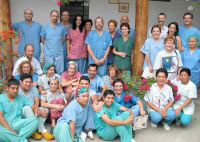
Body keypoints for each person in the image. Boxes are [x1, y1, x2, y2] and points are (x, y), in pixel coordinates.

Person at [19, 74, 54, 140]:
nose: (28, 84)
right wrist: (36, 110)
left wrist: (37, 110)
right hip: (23, 112)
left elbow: (37, 100)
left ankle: (36, 128)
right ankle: (37, 131)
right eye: (26, 82)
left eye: (30, 82)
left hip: (34, 109)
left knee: (45, 109)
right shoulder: (17, 90)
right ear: (21, 82)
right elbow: (21, 105)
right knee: (27, 108)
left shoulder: (33, 88)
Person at [41, 10, 65, 74]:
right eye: (53, 16)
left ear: (58, 17)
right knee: (48, 70)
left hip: (58, 53)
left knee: (59, 71)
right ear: (50, 16)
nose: (55, 17)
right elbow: (42, 38)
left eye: (57, 16)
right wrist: (48, 45)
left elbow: (63, 39)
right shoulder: (45, 27)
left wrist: (57, 45)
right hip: (48, 53)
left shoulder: (62, 27)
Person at [76, 75, 100, 141]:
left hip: (88, 113)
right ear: (79, 84)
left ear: (89, 85)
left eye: (86, 84)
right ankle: (88, 130)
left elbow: (95, 100)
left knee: (91, 106)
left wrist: (94, 104)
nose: (84, 85)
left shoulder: (91, 91)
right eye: (82, 84)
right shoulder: (75, 91)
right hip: (78, 113)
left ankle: (86, 131)